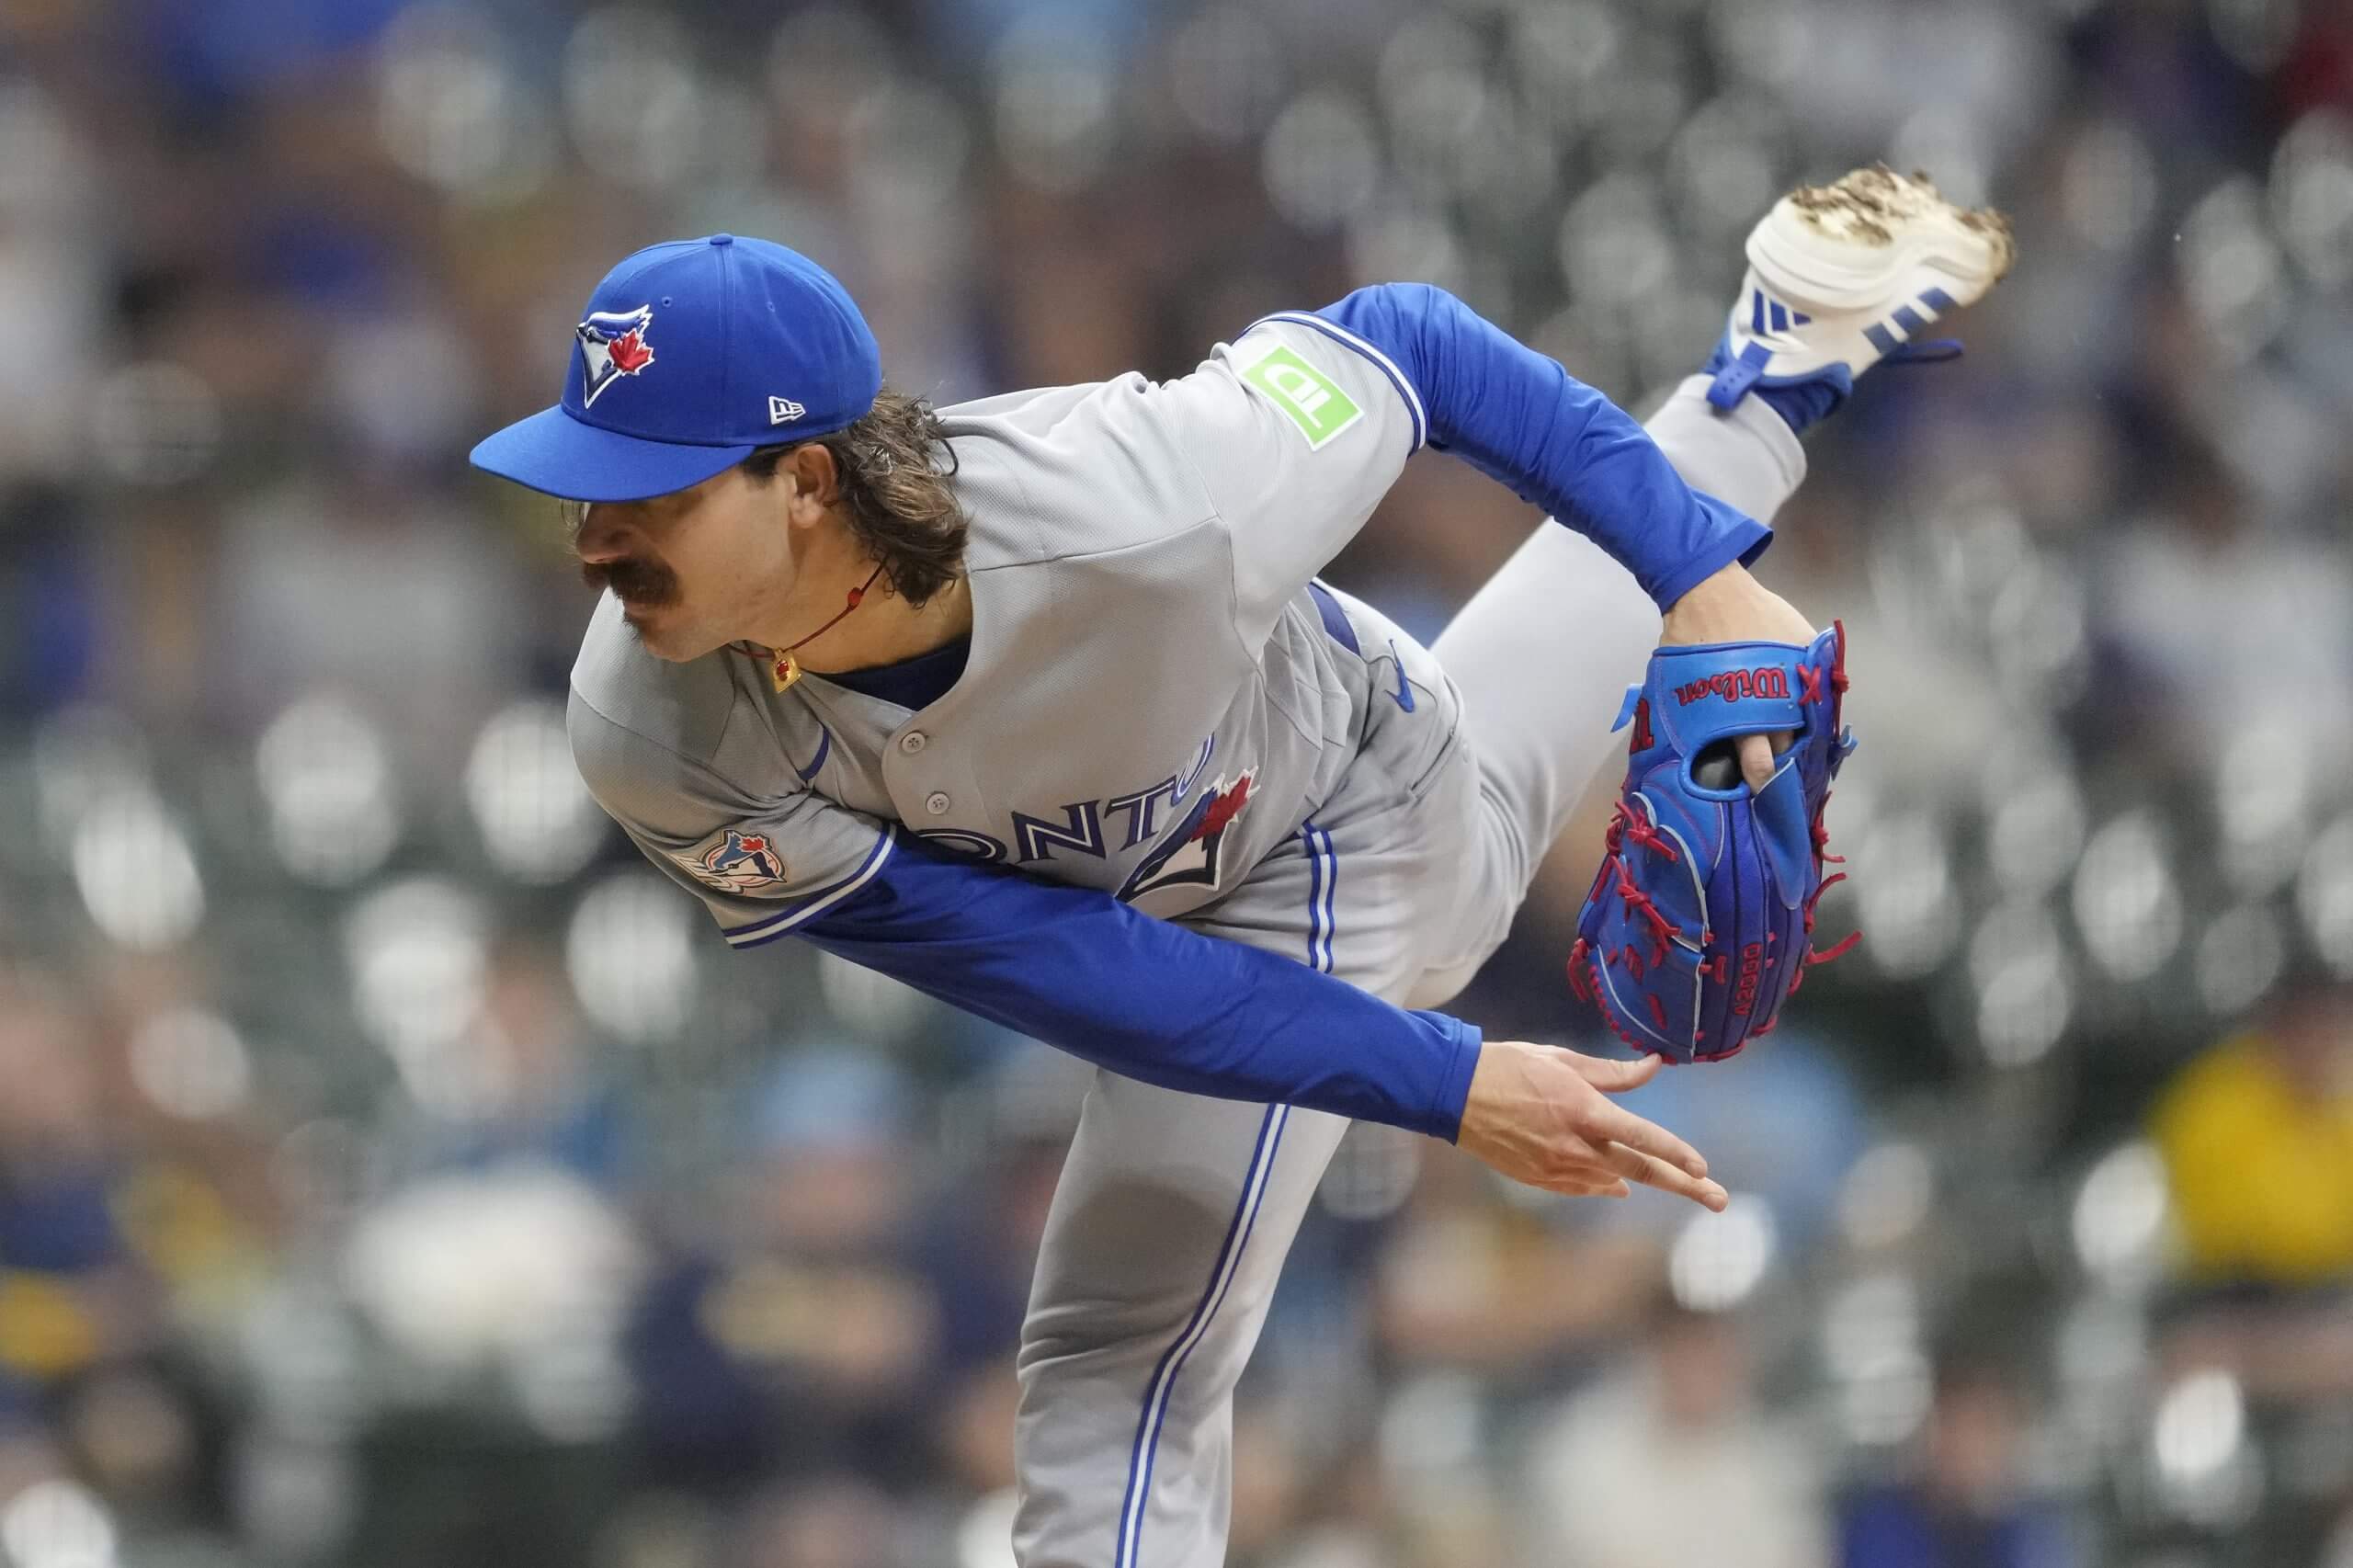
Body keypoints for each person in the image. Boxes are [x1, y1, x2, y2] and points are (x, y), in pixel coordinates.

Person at [470, 166, 2010, 1567]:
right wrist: (1443, 1075)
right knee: (1550, 669)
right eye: (581, 489)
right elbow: (1074, 974)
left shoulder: (1140, 501)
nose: (596, 539)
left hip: (1340, 812)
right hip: (1258, 857)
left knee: (1111, 1366)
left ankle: (1745, 434)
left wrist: (1692, 575)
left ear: (805, 482)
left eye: (650, 494)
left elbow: (1415, 344)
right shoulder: (650, 725)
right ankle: (1781, 361)